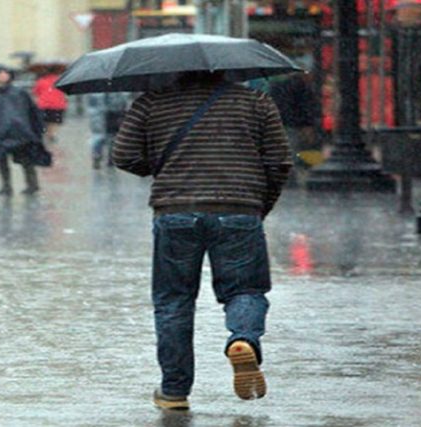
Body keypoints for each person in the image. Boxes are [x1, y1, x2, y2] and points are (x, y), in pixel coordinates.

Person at [113, 71, 291, 410]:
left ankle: (174, 391)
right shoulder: (256, 102)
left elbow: (124, 156)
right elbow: (279, 161)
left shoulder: (151, 102)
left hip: (175, 210)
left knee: (174, 301)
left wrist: (165, 162)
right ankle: (243, 339)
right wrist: (259, 205)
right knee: (244, 289)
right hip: (239, 207)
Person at [0, 64, 51, 196]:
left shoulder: (19, 93)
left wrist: (35, 128)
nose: (3, 76)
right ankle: (6, 186)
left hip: (20, 131)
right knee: (2, 160)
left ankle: (32, 185)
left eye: (6, 73)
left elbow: (31, 111)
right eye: (0, 73)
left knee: (26, 160)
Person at [269, 71, 317, 186]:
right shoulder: (301, 87)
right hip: (293, 125)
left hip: (281, 124)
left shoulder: (276, 85)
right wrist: (306, 124)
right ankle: (290, 178)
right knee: (293, 151)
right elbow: (305, 107)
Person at [86, 92, 129, 169]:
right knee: (109, 137)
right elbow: (123, 104)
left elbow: (91, 106)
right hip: (109, 116)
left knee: (101, 137)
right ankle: (106, 157)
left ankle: (99, 156)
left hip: (104, 116)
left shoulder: (94, 92)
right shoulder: (118, 90)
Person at [32, 68, 67, 143]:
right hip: (58, 104)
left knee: (46, 121)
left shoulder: (41, 81)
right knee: (55, 121)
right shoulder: (60, 80)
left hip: (44, 105)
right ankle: (52, 134)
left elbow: (36, 93)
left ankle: (48, 134)